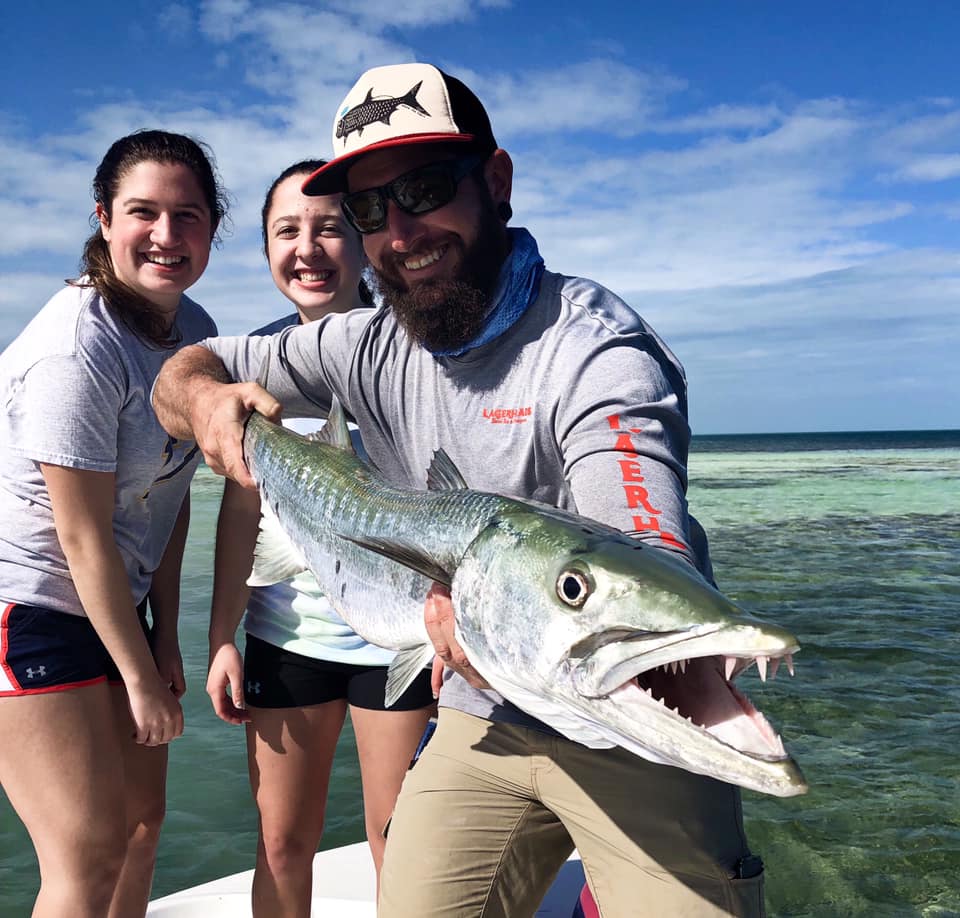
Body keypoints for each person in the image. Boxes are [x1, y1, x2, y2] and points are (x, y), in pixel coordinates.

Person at [152, 63, 766, 917]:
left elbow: (637, 539)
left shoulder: (594, 351)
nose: (400, 231)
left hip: (632, 717)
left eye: (426, 188)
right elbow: (186, 369)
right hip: (484, 713)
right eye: (370, 209)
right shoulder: (361, 345)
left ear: (497, 181)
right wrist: (206, 403)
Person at [0, 129, 226, 917]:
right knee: (88, 851)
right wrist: (137, 677)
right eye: (143, 212)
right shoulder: (75, 348)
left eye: (188, 215)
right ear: (103, 218)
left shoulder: (194, 332)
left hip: (115, 604)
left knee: (140, 826)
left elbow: (168, 495)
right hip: (30, 607)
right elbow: (82, 536)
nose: (166, 234)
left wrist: (162, 640)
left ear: (212, 228)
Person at [205, 159, 435, 916]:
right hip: (286, 637)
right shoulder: (252, 370)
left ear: (363, 237)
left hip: (397, 642)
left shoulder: (411, 354)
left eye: (330, 227)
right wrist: (221, 637)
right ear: (267, 249)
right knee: (280, 843)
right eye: (287, 231)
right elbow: (241, 514)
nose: (308, 248)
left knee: (397, 840)